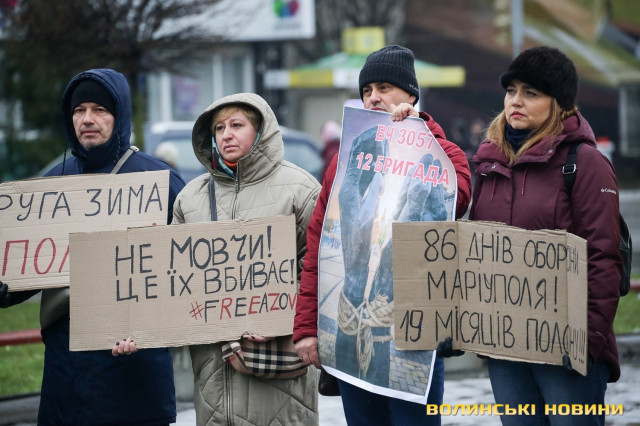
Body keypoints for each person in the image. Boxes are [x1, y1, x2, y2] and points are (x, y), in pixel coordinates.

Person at [294, 45, 472, 425]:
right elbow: (317, 244)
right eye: (367, 90)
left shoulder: (446, 153)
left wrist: (419, 138)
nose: (373, 97)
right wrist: (307, 327)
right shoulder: (345, 161)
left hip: (414, 336)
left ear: (411, 95)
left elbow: (457, 200)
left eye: (384, 88)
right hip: (350, 328)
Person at [120, 93, 320, 425]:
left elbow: (319, 272)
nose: (226, 134)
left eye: (237, 125)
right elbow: (170, 281)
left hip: (280, 380)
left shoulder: (301, 190)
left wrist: (277, 313)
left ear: (261, 131)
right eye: (219, 128)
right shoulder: (191, 198)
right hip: (213, 380)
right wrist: (137, 329)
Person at [0, 68, 185, 425]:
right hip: (67, 363)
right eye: (79, 110)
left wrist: (151, 327)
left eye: (99, 110)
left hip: (134, 362)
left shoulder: (157, 181)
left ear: (120, 115)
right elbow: (36, 264)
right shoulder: (53, 184)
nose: (87, 119)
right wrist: (7, 287)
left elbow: (187, 269)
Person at [468, 46, 621, 425]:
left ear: (560, 103)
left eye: (531, 93)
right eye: (511, 91)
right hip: (505, 344)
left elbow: (604, 259)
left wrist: (587, 341)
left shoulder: (585, 163)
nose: (515, 101)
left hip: (567, 346)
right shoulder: (488, 163)